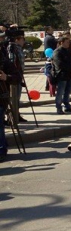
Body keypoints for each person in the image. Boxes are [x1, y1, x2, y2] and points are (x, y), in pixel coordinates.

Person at [0, 31, 21, 160]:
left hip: (1, 97)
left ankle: (2, 150)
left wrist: (5, 77)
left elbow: (17, 77)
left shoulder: (4, 62)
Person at [52, 36, 71, 114]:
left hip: (69, 75)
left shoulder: (67, 51)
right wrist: (70, 68)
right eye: (67, 42)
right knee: (60, 92)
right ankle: (59, 107)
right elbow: (59, 64)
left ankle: (67, 106)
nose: (68, 44)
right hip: (61, 75)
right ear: (61, 43)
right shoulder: (57, 51)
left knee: (67, 91)